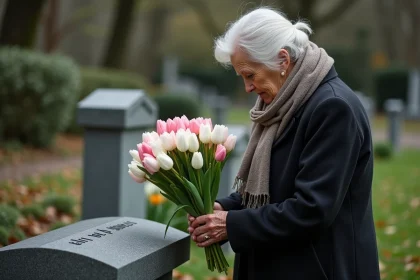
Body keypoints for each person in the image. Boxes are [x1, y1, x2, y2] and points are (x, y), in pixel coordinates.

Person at [187, 7, 381, 280]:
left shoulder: (333, 108)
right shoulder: (283, 102)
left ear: (282, 60)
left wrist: (231, 225)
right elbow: (271, 188)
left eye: (250, 74)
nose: (247, 88)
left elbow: (312, 209)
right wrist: (223, 210)